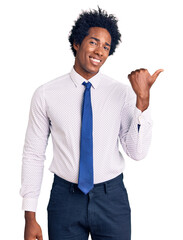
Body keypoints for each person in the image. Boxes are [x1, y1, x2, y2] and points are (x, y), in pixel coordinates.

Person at [20, 7, 163, 240]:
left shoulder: (122, 93)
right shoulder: (46, 94)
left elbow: (137, 153)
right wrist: (29, 216)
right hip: (64, 199)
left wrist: (142, 103)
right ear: (77, 43)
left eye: (106, 47)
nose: (100, 52)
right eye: (94, 42)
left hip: (112, 199)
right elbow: (33, 154)